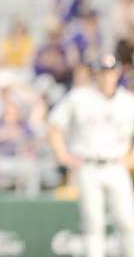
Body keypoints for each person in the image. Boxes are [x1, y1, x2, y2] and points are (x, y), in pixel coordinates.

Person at [49, 55, 134, 257]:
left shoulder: (127, 101)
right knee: (93, 224)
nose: (107, 77)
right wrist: (63, 154)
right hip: (88, 164)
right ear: (96, 73)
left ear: (118, 72)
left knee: (128, 222)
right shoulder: (80, 97)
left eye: (111, 71)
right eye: (103, 72)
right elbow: (54, 126)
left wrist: (131, 157)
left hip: (116, 165)